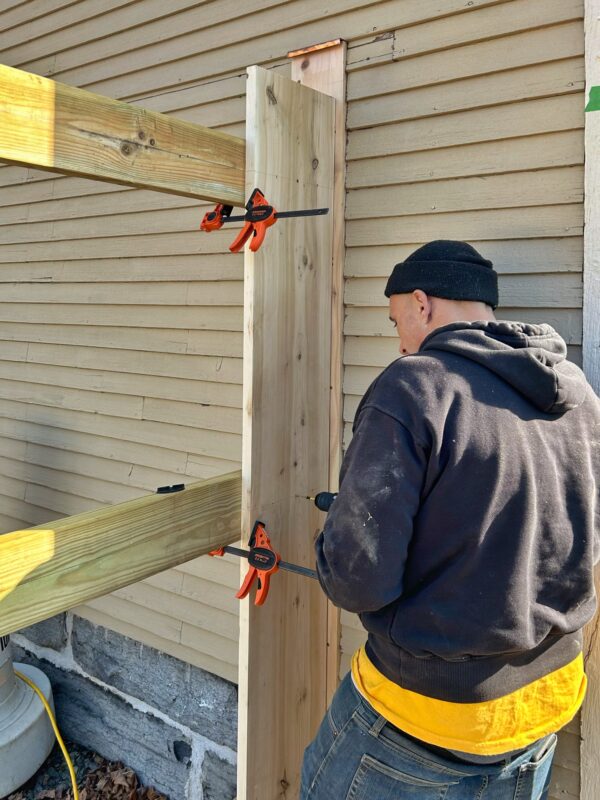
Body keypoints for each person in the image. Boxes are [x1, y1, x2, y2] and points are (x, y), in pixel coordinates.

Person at [301, 240, 600, 800]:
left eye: (397, 322)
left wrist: (332, 542)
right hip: (545, 703)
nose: (400, 342)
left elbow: (357, 578)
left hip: (426, 715)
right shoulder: (578, 392)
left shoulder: (413, 387)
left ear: (422, 303)